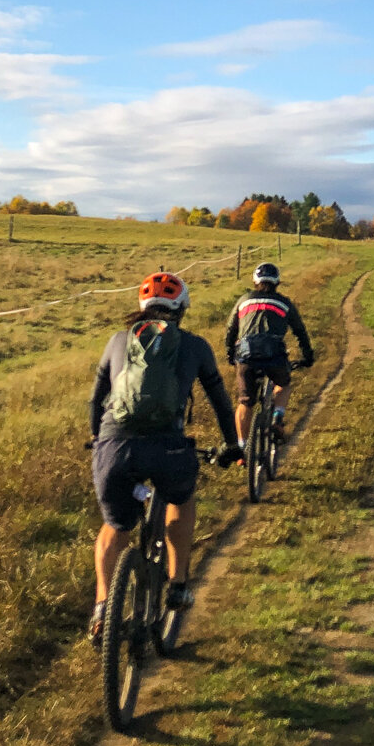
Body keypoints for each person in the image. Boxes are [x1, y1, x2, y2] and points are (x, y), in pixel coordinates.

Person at [87, 271, 241, 647]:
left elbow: (96, 401)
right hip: (168, 449)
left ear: (142, 308)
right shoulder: (194, 346)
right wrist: (233, 445)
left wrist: (97, 440)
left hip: (115, 447)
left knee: (115, 527)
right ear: (182, 309)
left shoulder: (117, 341)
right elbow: (221, 402)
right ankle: (177, 585)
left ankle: (103, 607)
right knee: (180, 499)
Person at [225, 260, 314, 445]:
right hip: (274, 354)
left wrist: (229, 353)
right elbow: (300, 331)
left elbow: (230, 329)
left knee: (245, 402)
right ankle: (277, 418)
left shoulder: (244, 300)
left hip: (245, 354)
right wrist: (307, 356)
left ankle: (242, 448)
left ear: (255, 282)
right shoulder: (284, 303)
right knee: (284, 384)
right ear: (277, 282)